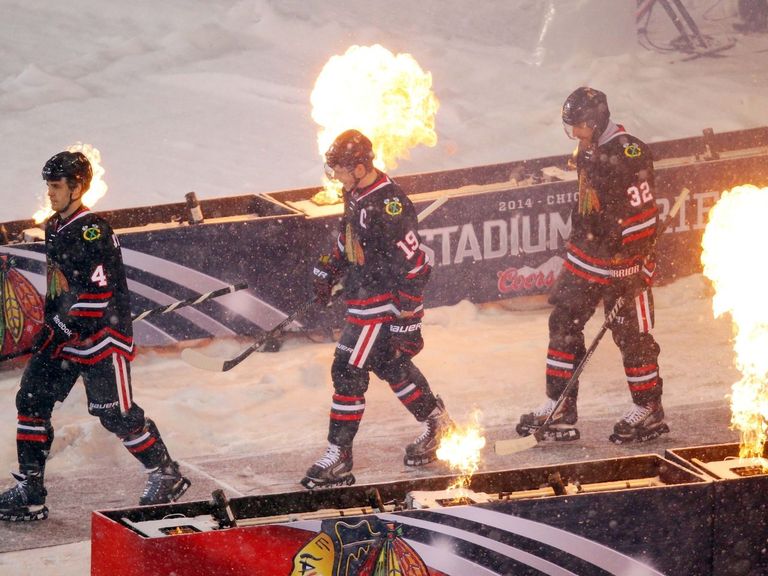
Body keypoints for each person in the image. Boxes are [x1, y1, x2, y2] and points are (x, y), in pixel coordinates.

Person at [0, 151, 190, 522]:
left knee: (115, 415)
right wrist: (50, 326)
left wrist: (65, 327)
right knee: (32, 399)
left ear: (77, 187)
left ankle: (166, 473)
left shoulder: (93, 230)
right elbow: (63, 288)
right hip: (66, 336)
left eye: (56, 186)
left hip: (102, 338)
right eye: (48, 186)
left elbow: (98, 295)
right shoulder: (55, 225)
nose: (50, 193)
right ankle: (30, 490)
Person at [301, 129, 453, 489]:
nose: (334, 174)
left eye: (339, 167)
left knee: (347, 368)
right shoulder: (354, 192)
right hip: (364, 296)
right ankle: (438, 423)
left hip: (383, 303)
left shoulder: (389, 205)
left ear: (359, 166)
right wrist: (329, 266)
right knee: (389, 363)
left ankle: (339, 456)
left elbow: (416, 266)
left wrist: (408, 320)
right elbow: (348, 236)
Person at [516, 87, 669, 445]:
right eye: (571, 129)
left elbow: (644, 217)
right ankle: (560, 404)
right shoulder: (590, 149)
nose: (575, 135)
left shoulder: (629, 152)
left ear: (597, 121)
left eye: (579, 127)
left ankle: (648, 406)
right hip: (585, 260)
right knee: (563, 323)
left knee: (633, 338)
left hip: (623, 266)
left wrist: (633, 265)